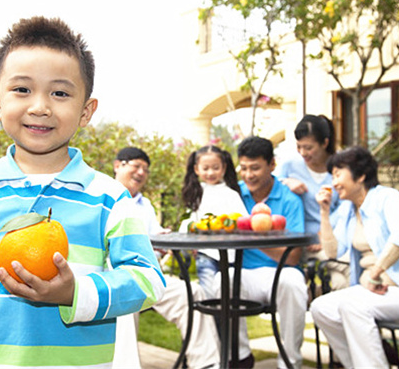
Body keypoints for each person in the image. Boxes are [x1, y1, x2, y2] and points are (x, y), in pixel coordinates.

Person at [0, 17, 166, 369]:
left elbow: (148, 280)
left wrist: (76, 293)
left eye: (60, 93)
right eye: (22, 90)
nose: (40, 106)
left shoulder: (108, 197)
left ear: (86, 111)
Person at [310, 146, 399, 368]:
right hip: (374, 292)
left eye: (338, 174)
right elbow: (333, 252)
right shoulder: (348, 210)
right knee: (321, 307)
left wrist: (376, 272)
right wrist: (323, 212)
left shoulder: (388, 198)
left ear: (360, 176)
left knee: (353, 306)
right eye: (332, 176)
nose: (334, 182)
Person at [112, 147, 220, 369]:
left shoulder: (146, 205)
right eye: (136, 166)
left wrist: (164, 240)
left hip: (149, 275)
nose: (141, 172)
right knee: (124, 299)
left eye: (145, 169)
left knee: (192, 293)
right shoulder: (103, 197)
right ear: (118, 165)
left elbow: (155, 237)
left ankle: (207, 364)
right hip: (114, 276)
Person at [221, 136, 307, 369]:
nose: (248, 175)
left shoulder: (289, 201)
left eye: (255, 168)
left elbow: (292, 257)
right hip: (242, 273)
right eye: (244, 168)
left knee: (294, 283)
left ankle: (290, 362)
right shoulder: (233, 194)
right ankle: (240, 358)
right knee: (221, 281)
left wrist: (253, 238)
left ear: (272, 165)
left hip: (279, 273)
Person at [275, 114, 349, 291]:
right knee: (347, 270)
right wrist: (287, 182)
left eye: (308, 148)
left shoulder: (340, 169)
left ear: (324, 143)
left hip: (331, 239)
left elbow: (346, 206)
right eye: (299, 147)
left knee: (340, 281)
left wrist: (324, 234)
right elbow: (271, 184)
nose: (302, 153)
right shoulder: (290, 165)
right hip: (302, 242)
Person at [180, 145, 248, 298]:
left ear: (223, 168)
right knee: (210, 296)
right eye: (205, 168)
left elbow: (243, 221)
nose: (210, 173)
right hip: (206, 254)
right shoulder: (197, 193)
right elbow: (191, 223)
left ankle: (227, 323)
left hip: (230, 254)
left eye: (215, 168)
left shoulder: (231, 194)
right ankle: (213, 323)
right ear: (196, 169)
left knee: (227, 296)